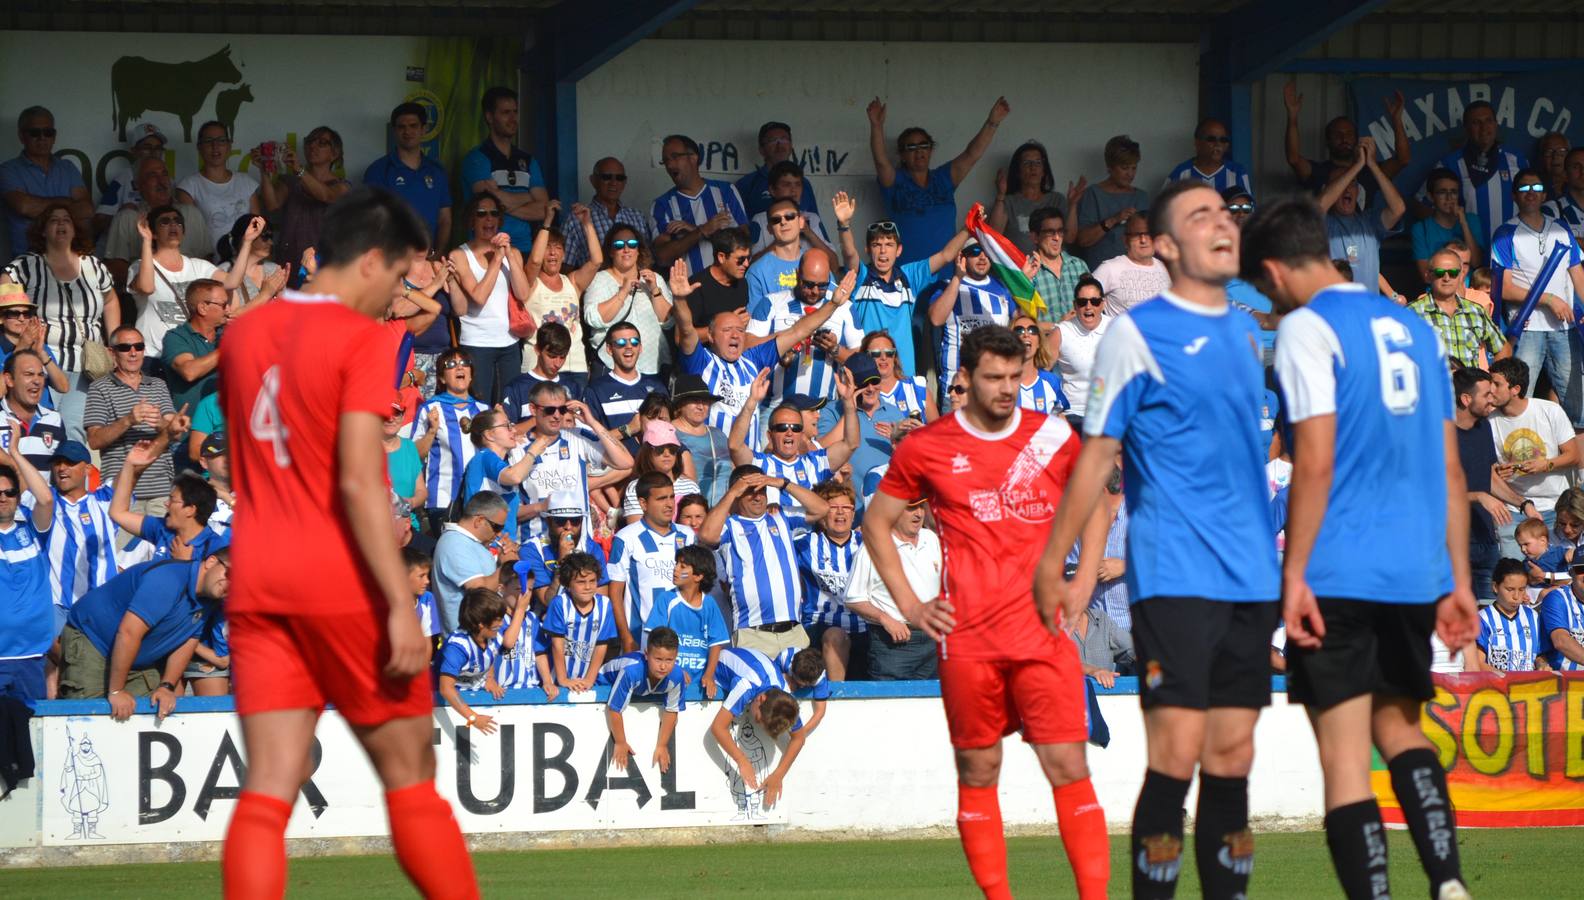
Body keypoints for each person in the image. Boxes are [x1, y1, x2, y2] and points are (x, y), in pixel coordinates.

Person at [216, 187, 478, 897]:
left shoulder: (241, 335)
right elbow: (361, 480)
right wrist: (399, 600)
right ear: (370, 261)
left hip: (259, 581)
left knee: (267, 791)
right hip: (337, 580)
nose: (396, 299)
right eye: (397, 280)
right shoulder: (361, 340)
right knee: (412, 781)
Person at [1044, 181, 1282, 900]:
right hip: (1173, 573)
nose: (1221, 224)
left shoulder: (1251, 331)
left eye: (1225, 213)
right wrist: (1062, 564)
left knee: (1233, 756)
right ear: (1168, 247)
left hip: (1249, 576)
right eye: (1200, 215)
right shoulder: (1136, 333)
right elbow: (1095, 453)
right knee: (1178, 755)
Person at [1244, 194, 1476, 900]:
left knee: (1345, 761)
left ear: (1277, 270)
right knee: (1403, 732)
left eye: (1261, 287)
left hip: (1339, 569)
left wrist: (1293, 577)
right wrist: (1459, 580)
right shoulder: (1415, 326)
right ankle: (1449, 884)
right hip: (1414, 571)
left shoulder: (1308, 330)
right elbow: (1451, 467)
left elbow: (1312, 461)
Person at [868, 322, 1109, 899]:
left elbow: (1096, 506)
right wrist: (909, 602)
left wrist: (1081, 588)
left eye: (1015, 376)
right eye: (994, 378)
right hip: (968, 640)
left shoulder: (1052, 437)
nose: (1007, 388)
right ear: (968, 379)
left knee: (1068, 767)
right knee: (979, 772)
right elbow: (877, 523)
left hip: (1042, 635)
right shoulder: (927, 446)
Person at [670, 258, 857, 435]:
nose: (735, 334)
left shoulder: (754, 359)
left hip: (748, 461)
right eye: (727, 330)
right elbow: (687, 331)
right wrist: (679, 300)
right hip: (713, 457)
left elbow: (798, 332)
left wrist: (833, 304)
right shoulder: (701, 361)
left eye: (740, 330)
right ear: (710, 335)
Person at [59, 547, 230, 721]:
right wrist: (117, 691)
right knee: (87, 720)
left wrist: (167, 686)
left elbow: (188, 639)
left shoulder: (211, 596)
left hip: (137, 658)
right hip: (94, 641)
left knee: (153, 713)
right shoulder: (168, 580)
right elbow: (128, 633)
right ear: (211, 562)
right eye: (230, 575)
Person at [2, 203, 121, 441]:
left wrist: (115, 341)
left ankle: (68, 475)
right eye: (54, 220)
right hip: (43, 360)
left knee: (73, 426)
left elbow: (110, 301)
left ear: (75, 229)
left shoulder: (93, 265)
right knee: (42, 423)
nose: (61, 223)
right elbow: (6, 299)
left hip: (87, 365)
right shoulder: (26, 266)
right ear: (43, 231)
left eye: (66, 219)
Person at [700, 464, 830, 656]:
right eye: (749, 491)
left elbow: (822, 509)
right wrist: (732, 492)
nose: (758, 496)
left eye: (762, 490)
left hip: (793, 632)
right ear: (737, 494)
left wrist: (781, 483)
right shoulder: (730, 526)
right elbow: (706, 535)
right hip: (752, 632)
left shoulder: (781, 517)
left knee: (797, 686)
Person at [833, 197, 969, 377]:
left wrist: (969, 227)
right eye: (877, 245)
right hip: (868, 377)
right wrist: (844, 225)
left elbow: (946, 255)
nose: (883, 251)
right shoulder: (861, 276)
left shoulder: (909, 276)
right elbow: (849, 253)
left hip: (904, 376)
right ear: (867, 249)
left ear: (899, 250)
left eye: (889, 245)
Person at [866, 95, 1009, 264]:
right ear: (902, 155)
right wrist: (876, 126)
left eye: (923, 145)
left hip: (946, 273)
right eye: (911, 147)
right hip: (908, 275)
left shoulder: (943, 179)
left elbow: (972, 154)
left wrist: (992, 122)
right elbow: (881, 162)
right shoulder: (895, 182)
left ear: (931, 150)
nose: (919, 151)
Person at [1492, 167, 1584, 427]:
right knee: (1517, 401)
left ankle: (1578, 466)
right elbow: (1504, 289)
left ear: (1545, 195)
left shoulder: (1562, 229)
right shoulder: (1505, 233)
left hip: (1565, 329)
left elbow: (1579, 277)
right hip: (1526, 329)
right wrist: (1549, 299)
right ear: (1514, 195)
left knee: (1578, 408)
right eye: (1524, 188)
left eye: (1536, 188)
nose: (1530, 193)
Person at [1453, 366, 1535, 603]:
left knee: (1491, 614)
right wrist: (1477, 496)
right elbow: (1434, 493)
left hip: (1486, 539)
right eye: (1487, 394)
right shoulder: (1440, 434)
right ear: (1466, 399)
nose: (1493, 399)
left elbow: (1489, 477)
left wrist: (1523, 503)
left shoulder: (1483, 427)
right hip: (1452, 544)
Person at [729, 367, 858, 516]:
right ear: (770, 436)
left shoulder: (815, 463)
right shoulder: (759, 463)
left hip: (808, 537)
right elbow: (735, 445)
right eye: (782, 427)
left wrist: (848, 403)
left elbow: (851, 443)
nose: (789, 432)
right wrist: (752, 402)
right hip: (770, 537)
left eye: (795, 428)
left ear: (801, 433)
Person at [1486, 356, 1580, 561]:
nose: (1490, 389)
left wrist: (1545, 465)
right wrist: (1499, 473)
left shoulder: (1549, 410)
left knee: (1554, 572)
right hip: (1513, 510)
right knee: (1514, 573)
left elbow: (1574, 455)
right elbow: (1488, 470)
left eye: (1497, 384)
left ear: (1515, 389)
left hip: (1556, 509)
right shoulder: (1488, 422)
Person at [511, 381, 633, 538]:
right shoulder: (517, 448)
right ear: (533, 409)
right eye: (549, 410)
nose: (556, 416)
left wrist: (592, 422)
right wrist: (542, 507)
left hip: (579, 546)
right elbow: (510, 512)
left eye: (562, 410)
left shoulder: (577, 436)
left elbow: (625, 462)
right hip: (537, 546)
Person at [129, 209, 256, 357]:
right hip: (154, 356)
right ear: (154, 232)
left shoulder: (199, 265)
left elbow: (232, 282)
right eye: (165, 222)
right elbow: (147, 287)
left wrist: (247, 242)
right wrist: (146, 241)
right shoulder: (140, 266)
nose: (173, 225)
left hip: (193, 354)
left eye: (178, 221)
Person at [750, 245, 862, 411]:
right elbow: (748, 346)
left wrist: (835, 349)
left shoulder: (845, 307)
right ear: (797, 275)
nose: (815, 291)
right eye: (808, 284)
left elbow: (861, 362)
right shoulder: (771, 303)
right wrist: (789, 338)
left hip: (825, 410)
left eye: (823, 285)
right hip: (776, 408)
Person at [843, 493, 941, 680]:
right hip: (894, 645)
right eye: (911, 508)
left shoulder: (931, 539)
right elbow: (853, 598)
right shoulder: (873, 547)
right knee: (889, 705)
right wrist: (885, 619)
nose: (919, 514)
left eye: (921, 507)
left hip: (933, 641)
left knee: (932, 706)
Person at [448, 193, 532, 407]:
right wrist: (497, 260)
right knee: (480, 407)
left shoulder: (511, 252)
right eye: (481, 214)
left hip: (509, 343)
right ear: (471, 220)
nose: (489, 219)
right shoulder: (459, 255)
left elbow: (523, 294)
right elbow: (478, 297)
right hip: (477, 343)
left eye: (494, 213)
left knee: (509, 408)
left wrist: (510, 256)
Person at [83, 327, 176, 516]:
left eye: (139, 346)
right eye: (125, 347)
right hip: (123, 491)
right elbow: (94, 440)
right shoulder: (99, 388)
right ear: (112, 353)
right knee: (123, 547)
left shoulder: (158, 385)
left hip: (161, 491)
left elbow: (174, 431)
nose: (133, 353)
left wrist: (160, 423)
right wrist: (128, 420)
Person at [608, 469, 698, 651]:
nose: (669, 504)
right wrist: (625, 637)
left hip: (685, 638)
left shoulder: (688, 536)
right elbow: (615, 593)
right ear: (643, 503)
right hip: (641, 639)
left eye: (671, 497)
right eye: (661, 499)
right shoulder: (626, 538)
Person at [0, 426, 56, 707]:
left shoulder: (33, 531)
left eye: (9, 492)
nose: (3, 497)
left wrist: (14, 454)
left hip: (30, 658)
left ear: (18, 497)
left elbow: (45, 498)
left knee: (29, 740)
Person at [1420, 101, 1527, 244]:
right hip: (1468, 258)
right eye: (1476, 122)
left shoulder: (1516, 159)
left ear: (1496, 124)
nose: (1484, 128)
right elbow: (1421, 204)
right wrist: (1446, 238)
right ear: (1466, 129)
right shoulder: (1449, 164)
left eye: (1488, 120)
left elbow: (1533, 201)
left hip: (1511, 252)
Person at [256, 126, 351, 281]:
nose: (313, 146)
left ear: (334, 154)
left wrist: (299, 169)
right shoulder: (290, 181)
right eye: (310, 141)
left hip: (323, 263)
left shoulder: (342, 186)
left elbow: (326, 195)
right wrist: (264, 170)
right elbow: (272, 205)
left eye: (322, 143)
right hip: (289, 260)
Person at [1284, 82, 1411, 197]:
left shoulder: (1370, 171)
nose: (1344, 138)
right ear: (1328, 141)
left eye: (1349, 134)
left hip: (1362, 223)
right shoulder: (1319, 171)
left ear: (1356, 139)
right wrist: (1293, 117)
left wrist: (1397, 120)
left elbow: (1403, 159)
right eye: (1337, 134)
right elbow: (1294, 159)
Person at [795, 479, 866, 681]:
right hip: (820, 627)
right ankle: (836, 699)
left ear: (854, 513)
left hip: (864, 630)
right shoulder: (804, 545)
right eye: (834, 508)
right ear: (822, 515)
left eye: (846, 507)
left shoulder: (868, 544)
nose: (841, 512)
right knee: (835, 634)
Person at [519, 202, 601, 375]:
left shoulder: (572, 282)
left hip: (574, 363)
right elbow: (534, 262)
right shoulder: (530, 281)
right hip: (538, 365)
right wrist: (547, 222)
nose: (552, 253)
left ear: (564, 254)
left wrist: (587, 224)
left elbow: (596, 261)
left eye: (557, 248)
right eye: (547, 247)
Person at [927, 239, 1013, 404]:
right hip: (957, 391)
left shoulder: (1003, 287)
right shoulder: (946, 286)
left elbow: (1021, 321)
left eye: (986, 251)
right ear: (962, 256)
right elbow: (936, 319)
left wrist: (1026, 283)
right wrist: (958, 278)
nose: (982, 257)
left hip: (992, 390)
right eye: (974, 251)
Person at [413, 348, 489, 536]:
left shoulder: (484, 410)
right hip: (444, 499)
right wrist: (431, 431)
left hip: (481, 500)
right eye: (451, 365)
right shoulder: (430, 408)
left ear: (471, 375)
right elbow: (413, 455)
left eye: (464, 364)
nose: (459, 368)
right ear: (441, 378)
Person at [651, 134, 749, 275]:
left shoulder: (726, 191)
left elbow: (744, 241)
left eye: (675, 157)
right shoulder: (661, 204)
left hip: (729, 288)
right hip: (688, 290)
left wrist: (697, 230)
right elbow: (662, 257)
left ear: (693, 157)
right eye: (666, 160)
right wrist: (701, 231)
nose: (670, 165)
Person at [462, 86, 548, 247]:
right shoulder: (476, 158)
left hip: (524, 248)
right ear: (489, 117)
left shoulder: (528, 160)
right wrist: (529, 196)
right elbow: (487, 204)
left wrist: (500, 199)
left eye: (515, 112)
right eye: (505, 113)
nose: (513, 118)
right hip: (488, 249)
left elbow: (544, 209)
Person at [2, 106, 92, 259]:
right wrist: (67, 204)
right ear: (21, 136)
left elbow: (86, 210)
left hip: (70, 259)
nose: (42, 138)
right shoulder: (8, 170)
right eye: (35, 133)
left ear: (54, 136)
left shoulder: (67, 167)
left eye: (48, 132)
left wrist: (40, 207)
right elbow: (24, 207)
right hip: (27, 261)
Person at [1319, 137, 1406, 293]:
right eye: (1341, 183)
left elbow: (1398, 208)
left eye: (1352, 183)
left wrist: (1371, 164)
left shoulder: (1369, 222)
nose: (1346, 189)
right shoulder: (1324, 223)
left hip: (1368, 311)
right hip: (1334, 309)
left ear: (1358, 190)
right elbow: (1318, 207)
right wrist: (1358, 165)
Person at [43, 439, 118, 620]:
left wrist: (163, 438)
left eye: (70, 462)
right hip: (57, 606)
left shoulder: (105, 500)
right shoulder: (45, 500)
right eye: (58, 462)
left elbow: (132, 473)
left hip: (100, 606)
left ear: (88, 470)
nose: (61, 468)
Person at [582, 227, 671, 375]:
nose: (626, 249)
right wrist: (622, 293)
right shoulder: (599, 279)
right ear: (611, 252)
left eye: (631, 244)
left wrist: (655, 290)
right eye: (619, 245)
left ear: (639, 250)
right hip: (612, 368)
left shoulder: (654, 279)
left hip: (653, 366)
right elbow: (593, 318)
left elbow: (668, 322)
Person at [435, 587, 526, 729]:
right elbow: (446, 689)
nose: (502, 624)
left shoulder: (494, 634)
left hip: (472, 694)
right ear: (480, 624)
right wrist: (473, 718)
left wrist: (489, 678)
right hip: (444, 705)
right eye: (498, 620)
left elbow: (491, 654)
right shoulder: (458, 648)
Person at [362, 102, 452, 245]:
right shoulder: (378, 170)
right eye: (401, 127)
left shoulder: (437, 171)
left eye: (413, 126)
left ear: (424, 129)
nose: (407, 132)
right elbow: (371, 220)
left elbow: (445, 219)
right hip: (392, 261)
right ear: (394, 131)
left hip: (428, 260)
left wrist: (437, 254)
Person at [599, 626, 686, 773]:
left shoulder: (677, 676)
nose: (663, 666)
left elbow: (672, 710)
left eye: (669, 660)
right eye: (658, 659)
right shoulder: (631, 671)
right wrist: (620, 742)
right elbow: (614, 708)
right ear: (646, 654)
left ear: (676, 657)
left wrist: (662, 745)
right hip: (602, 681)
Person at [1407, 249, 1507, 370]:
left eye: (1453, 272)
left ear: (1461, 276)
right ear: (1428, 276)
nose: (1446, 278)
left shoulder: (1476, 311)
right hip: (1433, 387)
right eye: (1439, 272)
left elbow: (1502, 348)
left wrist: (1492, 381)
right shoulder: (1411, 313)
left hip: (1471, 387)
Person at [433, 490, 516, 633]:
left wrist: (509, 558)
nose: (499, 534)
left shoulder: (473, 544)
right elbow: (480, 592)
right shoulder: (454, 544)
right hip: (466, 644)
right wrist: (506, 566)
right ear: (479, 521)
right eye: (497, 527)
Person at [103, 157, 213, 264]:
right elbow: (116, 267)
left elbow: (207, 260)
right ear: (139, 185)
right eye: (152, 175)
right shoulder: (128, 218)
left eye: (164, 174)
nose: (161, 181)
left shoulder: (191, 214)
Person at [174, 121, 261, 247]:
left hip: (245, 260)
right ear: (199, 147)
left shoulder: (247, 183)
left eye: (221, 140)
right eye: (209, 141)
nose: (215, 146)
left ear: (229, 146)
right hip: (207, 262)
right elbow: (191, 235)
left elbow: (258, 229)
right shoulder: (188, 187)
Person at [989, 140, 1084, 254]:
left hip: (1053, 269)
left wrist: (1073, 205)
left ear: (1044, 171)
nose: (1033, 167)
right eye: (1026, 163)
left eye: (1038, 162)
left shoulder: (1056, 200)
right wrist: (1000, 194)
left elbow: (1070, 238)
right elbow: (992, 237)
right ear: (1018, 171)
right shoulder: (1009, 202)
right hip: (1020, 269)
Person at [542, 551, 617, 690]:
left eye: (592, 581)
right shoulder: (560, 603)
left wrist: (589, 679)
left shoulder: (605, 605)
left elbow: (601, 646)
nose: (588, 587)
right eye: (581, 582)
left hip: (587, 678)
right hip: (558, 679)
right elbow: (557, 645)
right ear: (568, 584)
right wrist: (563, 679)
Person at [563, 157, 654, 269]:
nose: (613, 183)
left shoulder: (637, 217)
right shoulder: (577, 219)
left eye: (619, 178)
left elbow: (646, 260)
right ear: (593, 180)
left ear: (624, 182)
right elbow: (566, 268)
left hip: (634, 285)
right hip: (594, 285)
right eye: (607, 177)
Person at [1075, 135, 1149, 267]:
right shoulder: (1093, 194)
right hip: (1100, 274)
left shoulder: (1142, 197)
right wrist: (1113, 220)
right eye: (1125, 168)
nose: (1130, 174)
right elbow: (1083, 240)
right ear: (1110, 167)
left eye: (1134, 168)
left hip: (1135, 274)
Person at [162, 279, 226, 415]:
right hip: (188, 429)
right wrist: (228, 348)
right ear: (202, 308)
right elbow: (189, 372)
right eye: (224, 305)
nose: (229, 310)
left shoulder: (227, 334)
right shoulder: (176, 337)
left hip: (225, 426)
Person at [586, 323, 666, 431]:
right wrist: (627, 430)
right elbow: (590, 439)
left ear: (640, 348)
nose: (629, 346)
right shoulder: (596, 390)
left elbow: (670, 428)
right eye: (621, 343)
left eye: (634, 342)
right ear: (609, 349)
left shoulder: (657, 386)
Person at [746, 197, 819, 315]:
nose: (783, 222)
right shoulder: (756, 271)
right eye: (776, 219)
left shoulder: (817, 264)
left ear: (801, 222)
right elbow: (755, 322)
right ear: (769, 229)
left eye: (790, 216)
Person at [1053, 276, 1108, 431]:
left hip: (1108, 413)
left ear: (1103, 304)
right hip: (1073, 415)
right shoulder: (1062, 331)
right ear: (1075, 305)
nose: (1088, 307)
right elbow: (1041, 372)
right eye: (1082, 302)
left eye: (1094, 301)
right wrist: (1056, 410)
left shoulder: (1117, 328)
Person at [1, 348, 67, 477]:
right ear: (9, 380)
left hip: (46, 497)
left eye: (41, 375)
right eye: (29, 374)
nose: (37, 381)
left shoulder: (54, 419)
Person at [1412, 169, 1487, 284]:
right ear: (1431, 197)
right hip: (1438, 293)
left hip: (1470, 292)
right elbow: (1426, 276)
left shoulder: (1471, 220)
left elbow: (1476, 262)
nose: (1449, 198)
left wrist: (1463, 223)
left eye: (1453, 192)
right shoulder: (1421, 229)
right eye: (1442, 192)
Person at [735, 121, 820, 220]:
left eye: (784, 139)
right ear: (761, 150)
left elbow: (816, 223)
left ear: (791, 146)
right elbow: (737, 226)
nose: (779, 145)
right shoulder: (746, 184)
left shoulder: (804, 183)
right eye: (772, 140)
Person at [746, 161, 833, 257]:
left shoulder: (812, 218)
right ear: (772, 190)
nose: (793, 190)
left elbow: (834, 264)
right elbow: (750, 264)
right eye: (787, 185)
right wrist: (781, 240)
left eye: (798, 184)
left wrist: (809, 233)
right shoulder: (760, 220)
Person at [618, 420, 700, 523]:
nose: (667, 454)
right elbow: (636, 530)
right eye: (660, 449)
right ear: (647, 452)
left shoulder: (691, 487)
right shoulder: (635, 488)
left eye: (672, 449)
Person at [503, 323, 588, 420]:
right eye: (552, 356)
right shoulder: (516, 387)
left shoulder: (573, 386)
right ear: (537, 350)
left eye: (562, 357)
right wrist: (545, 419)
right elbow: (508, 431)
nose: (557, 363)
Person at [1476, 559, 1548, 673]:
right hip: (1497, 688)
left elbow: (1540, 654)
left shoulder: (1533, 617)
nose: (1516, 596)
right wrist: (1507, 680)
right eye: (1510, 589)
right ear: (1495, 587)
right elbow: (1477, 663)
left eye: (1521, 589)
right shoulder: (1482, 619)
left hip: (1529, 688)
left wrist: (1542, 664)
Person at [1023, 206, 1092, 326]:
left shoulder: (1079, 266)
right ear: (1035, 237)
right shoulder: (1026, 271)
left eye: (1060, 231)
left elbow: (1095, 306)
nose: (1057, 237)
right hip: (1046, 343)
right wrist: (1058, 326)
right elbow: (1023, 322)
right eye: (1050, 232)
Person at [671, 374, 732, 506]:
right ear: (680, 405)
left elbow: (732, 469)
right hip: (688, 514)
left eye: (705, 401)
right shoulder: (669, 433)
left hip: (725, 513)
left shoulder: (718, 435)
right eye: (695, 401)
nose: (701, 406)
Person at [1092, 216, 1170, 316]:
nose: (1143, 240)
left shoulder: (1166, 269)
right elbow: (1083, 302)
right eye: (1137, 235)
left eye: (1148, 234)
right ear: (1125, 240)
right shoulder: (1109, 268)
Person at [215, 214, 289, 312]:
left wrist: (279, 294)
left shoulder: (273, 270)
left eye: (271, 237)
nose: (271, 243)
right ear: (246, 236)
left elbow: (284, 311)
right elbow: (230, 317)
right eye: (265, 237)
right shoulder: (223, 272)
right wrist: (265, 295)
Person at [1162, 119, 1252, 195]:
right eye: (1211, 139)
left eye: (1223, 140)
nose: (1218, 144)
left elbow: (1248, 210)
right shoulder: (1181, 174)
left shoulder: (1237, 173)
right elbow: (1164, 210)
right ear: (1197, 143)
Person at [864, 330, 935, 422]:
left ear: (895, 357)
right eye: (876, 353)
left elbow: (937, 432)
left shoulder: (917, 387)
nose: (883, 358)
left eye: (889, 353)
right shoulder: (863, 394)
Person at [1009, 313, 1064, 417]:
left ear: (1039, 342)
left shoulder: (1051, 381)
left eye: (1032, 330)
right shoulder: (1001, 382)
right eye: (1019, 330)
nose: (1026, 334)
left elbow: (1060, 419)